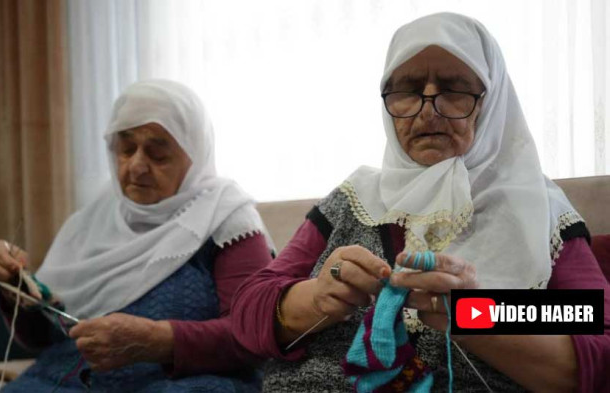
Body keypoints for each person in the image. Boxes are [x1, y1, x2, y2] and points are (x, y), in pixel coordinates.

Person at [232, 13, 610, 392]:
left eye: (454, 89)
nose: (428, 110)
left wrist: (475, 313)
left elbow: (594, 332)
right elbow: (248, 314)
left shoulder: (537, 209)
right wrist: (317, 297)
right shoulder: (354, 198)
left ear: (491, 102)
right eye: (409, 91)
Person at [0, 80, 273, 392]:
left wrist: (161, 341)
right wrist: (15, 288)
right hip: (62, 382)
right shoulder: (89, 223)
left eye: (158, 155)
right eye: (126, 149)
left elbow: (253, 336)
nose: (136, 166)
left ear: (195, 157)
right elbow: (42, 338)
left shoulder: (227, 220)